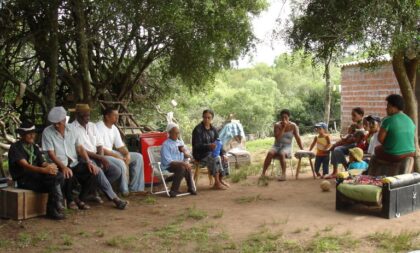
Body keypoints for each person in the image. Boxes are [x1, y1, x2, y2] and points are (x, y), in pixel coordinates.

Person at [42, 106, 128, 210]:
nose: (56, 125)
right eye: (54, 123)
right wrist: (63, 167)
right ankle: (71, 200)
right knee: (68, 173)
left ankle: (81, 198)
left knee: (94, 171)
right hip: (58, 164)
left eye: (58, 123)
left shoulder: (72, 129)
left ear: (64, 120)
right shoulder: (47, 132)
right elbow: (51, 154)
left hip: (74, 162)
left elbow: (80, 148)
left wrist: (89, 162)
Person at [8, 121, 65, 219]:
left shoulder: (34, 147)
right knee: (54, 180)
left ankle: (56, 204)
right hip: (24, 179)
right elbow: (25, 166)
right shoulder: (15, 147)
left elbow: (42, 163)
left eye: (33, 133)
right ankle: (55, 205)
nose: (32, 135)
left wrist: (50, 166)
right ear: (22, 135)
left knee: (58, 175)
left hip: (36, 176)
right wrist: (44, 171)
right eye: (29, 133)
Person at [70, 104, 123, 202]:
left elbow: (99, 144)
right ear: (77, 115)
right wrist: (100, 158)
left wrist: (101, 157)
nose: (87, 117)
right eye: (84, 115)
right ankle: (115, 198)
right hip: (83, 158)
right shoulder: (72, 128)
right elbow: (81, 150)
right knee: (98, 170)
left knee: (116, 171)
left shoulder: (92, 126)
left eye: (88, 115)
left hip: (96, 156)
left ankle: (94, 191)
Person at [96, 107, 146, 196]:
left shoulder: (114, 128)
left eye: (117, 115)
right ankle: (124, 191)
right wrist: (119, 157)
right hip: (102, 155)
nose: (117, 117)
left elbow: (120, 145)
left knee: (138, 157)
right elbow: (101, 149)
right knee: (121, 162)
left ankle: (136, 188)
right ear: (107, 117)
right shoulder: (99, 126)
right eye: (115, 115)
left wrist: (126, 154)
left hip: (113, 153)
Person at [261, 109, 304, 181]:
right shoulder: (277, 125)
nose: (284, 119)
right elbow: (277, 138)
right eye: (282, 117)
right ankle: (263, 173)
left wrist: (302, 149)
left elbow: (298, 138)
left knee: (281, 153)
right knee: (270, 153)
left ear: (289, 117)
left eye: (286, 117)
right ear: (280, 118)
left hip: (287, 147)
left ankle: (283, 175)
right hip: (277, 146)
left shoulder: (293, 126)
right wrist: (283, 127)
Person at [192, 109, 229, 190]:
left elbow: (219, 142)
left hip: (211, 153)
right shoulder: (198, 130)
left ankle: (220, 179)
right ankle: (216, 183)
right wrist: (209, 146)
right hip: (200, 155)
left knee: (224, 158)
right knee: (216, 158)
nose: (206, 119)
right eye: (205, 117)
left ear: (212, 118)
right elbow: (196, 146)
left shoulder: (213, 129)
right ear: (202, 117)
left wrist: (223, 154)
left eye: (209, 118)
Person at [375, 94, 416, 162]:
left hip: (395, 155)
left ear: (394, 107)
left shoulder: (388, 120)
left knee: (377, 149)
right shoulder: (410, 120)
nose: (386, 109)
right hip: (411, 153)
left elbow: (380, 139)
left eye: (388, 106)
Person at [327, 107, 364, 178]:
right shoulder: (354, 125)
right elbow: (348, 138)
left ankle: (347, 168)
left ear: (361, 115)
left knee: (337, 149)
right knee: (334, 148)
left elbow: (353, 140)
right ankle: (335, 172)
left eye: (354, 115)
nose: (352, 117)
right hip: (351, 144)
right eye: (352, 115)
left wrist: (345, 139)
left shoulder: (363, 125)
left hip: (357, 147)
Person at [160, 123, 196, 197]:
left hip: (180, 165)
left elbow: (188, 155)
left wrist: (185, 154)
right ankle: (173, 190)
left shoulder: (180, 143)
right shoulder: (166, 145)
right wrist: (183, 163)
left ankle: (191, 188)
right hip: (169, 166)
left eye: (178, 133)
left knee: (185, 166)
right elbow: (168, 161)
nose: (177, 135)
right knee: (183, 167)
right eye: (175, 133)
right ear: (169, 133)